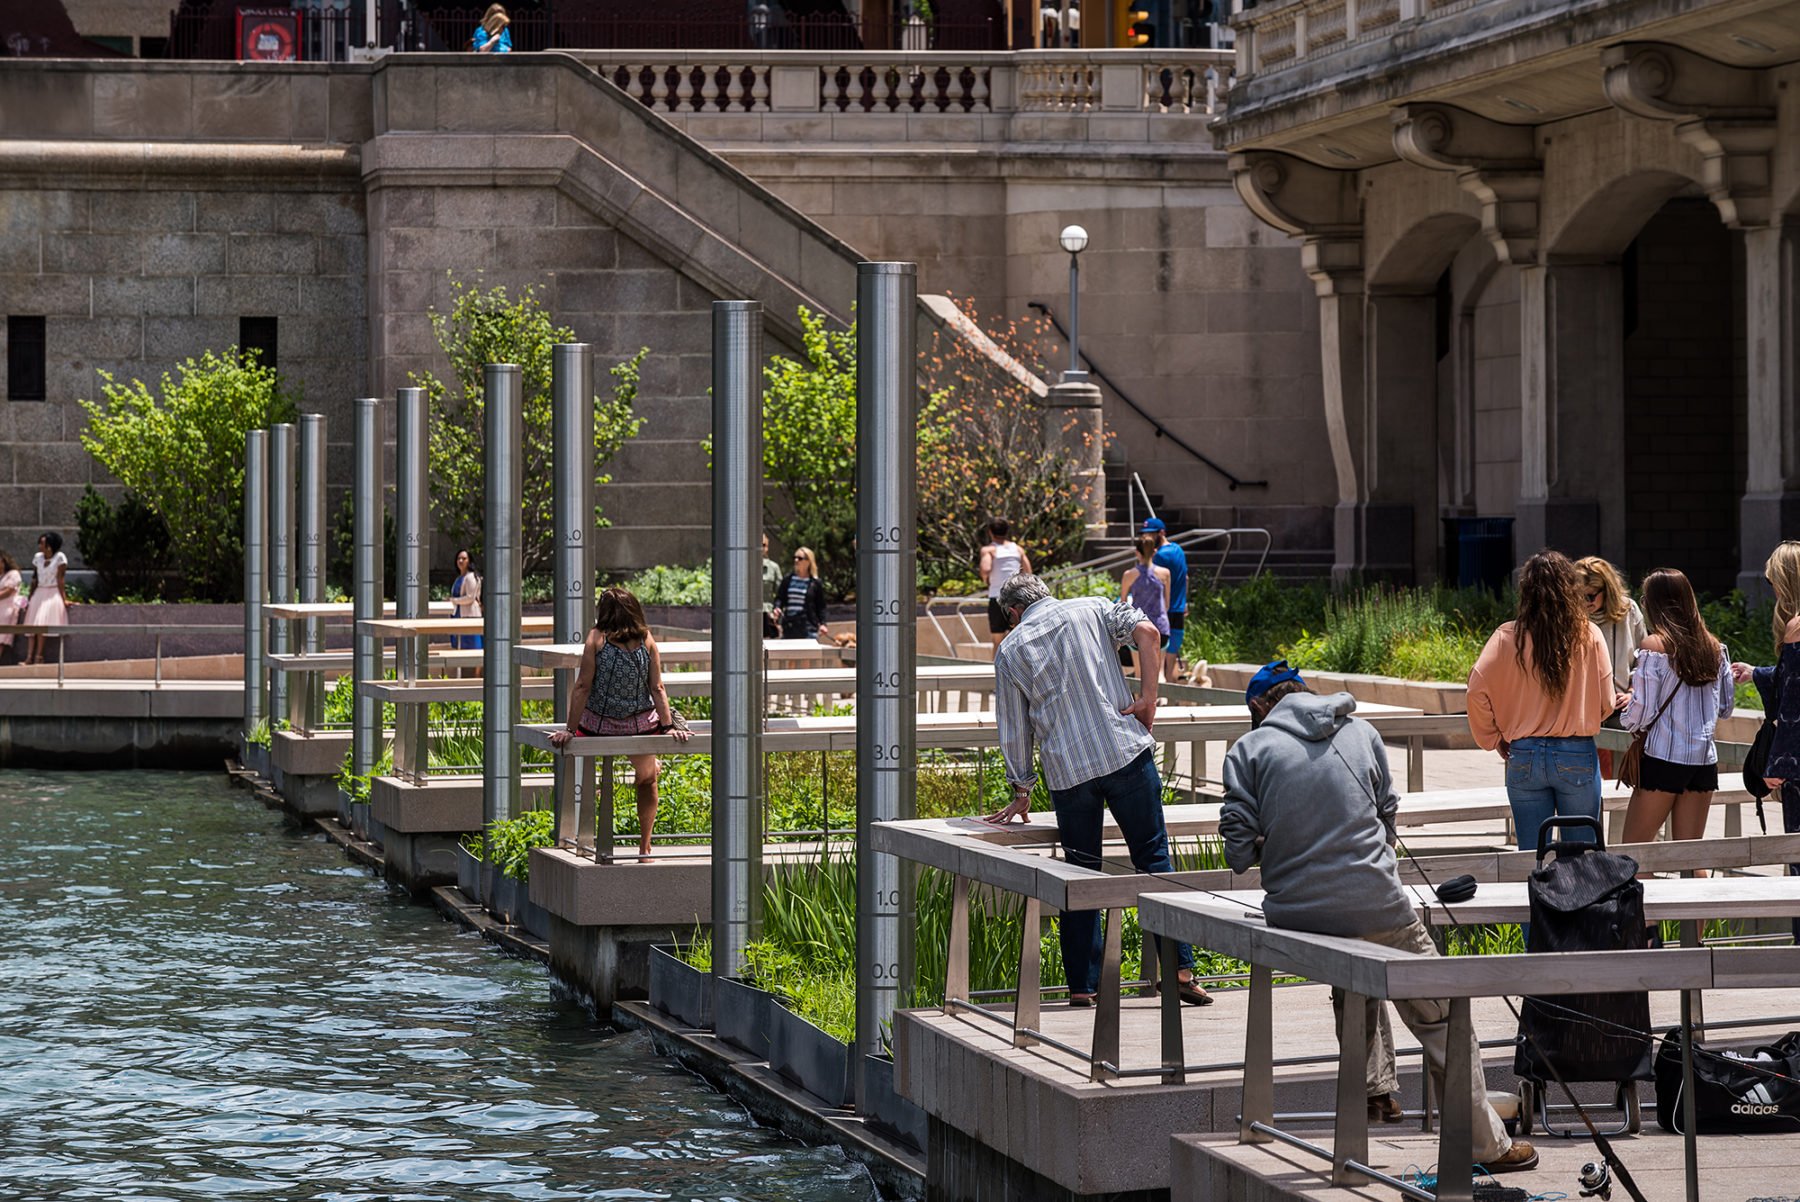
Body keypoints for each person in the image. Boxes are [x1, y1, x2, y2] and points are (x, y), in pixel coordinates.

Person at [1220, 663, 1539, 1173]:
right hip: (1377, 905)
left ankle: (1374, 1091)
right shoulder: (1362, 732)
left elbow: (1237, 852)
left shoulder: (1247, 751)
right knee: (1444, 1018)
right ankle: (1484, 1146)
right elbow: (1386, 821)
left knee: (1353, 968)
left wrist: (1277, 841)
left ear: (1260, 708)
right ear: (1305, 692)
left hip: (1297, 919)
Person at [982, 573, 1209, 1007]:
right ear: (1046, 593)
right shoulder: (1090, 606)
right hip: (1125, 752)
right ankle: (1179, 970)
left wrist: (1021, 789)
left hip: (1069, 772)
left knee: (1081, 876)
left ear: (1012, 612)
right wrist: (1148, 699)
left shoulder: (1009, 650)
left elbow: (1013, 729)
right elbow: (1147, 632)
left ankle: (1084, 988)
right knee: (1153, 858)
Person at [1467, 550, 1620, 852]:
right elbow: (1607, 703)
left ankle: (1536, 899)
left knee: (1531, 853)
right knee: (1582, 855)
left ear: (1526, 591)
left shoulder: (1506, 636)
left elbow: (1476, 692)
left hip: (1524, 753)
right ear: (1570, 588)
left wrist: (1493, 737)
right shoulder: (1589, 635)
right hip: (1576, 750)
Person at [548, 587, 691, 861]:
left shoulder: (595, 638)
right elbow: (657, 688)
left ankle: (585, 844)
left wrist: (569, 729)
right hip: (640, 725)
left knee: (594, 772)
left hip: (598, 727)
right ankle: (645, 848)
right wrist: (668, 726)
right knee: (647, 780)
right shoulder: (646, 639)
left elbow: (582, 686)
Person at [1619, 569, 1733, 863]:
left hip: (1663, 759)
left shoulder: (1654, 646)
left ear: (1654, 604)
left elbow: (1640, 713)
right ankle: (1702, 911)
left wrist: (1625, 717)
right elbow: (1726, 709)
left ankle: (1646, 911)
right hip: (1703, 762)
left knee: (1634, 852)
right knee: (1690, 858)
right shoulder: (1715, 647)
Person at [1730, 540, 1800, 941]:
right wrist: (1757, 672)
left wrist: (1778, 766)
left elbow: (1792, 707)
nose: (1772, 589)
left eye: (1775, 581)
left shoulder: (1796, 627)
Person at [1577, 556, 1646, 778]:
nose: (1584, 601)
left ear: (1607, 590)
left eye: (1590, 595)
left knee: (1621, 779)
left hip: (1620, 708)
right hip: (1581, 712)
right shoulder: (1566, 614)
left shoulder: (1628, 610)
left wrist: (1633, 691)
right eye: (1577, 594)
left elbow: (1644, 659)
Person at [1117, 532, 1170, 678]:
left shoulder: (1129, 575)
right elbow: (1166, 605)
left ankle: (1140, 701)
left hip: (1139, 627)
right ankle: (1163, 701)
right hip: (1161, 627)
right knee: (1159, 673)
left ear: (1136, 552)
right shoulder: (1165, 573)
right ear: (1155, 551)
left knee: (1140, 674)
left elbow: (1122, 604)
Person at [1143, 518, 1189, 684]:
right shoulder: (1178, 550)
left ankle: (1161, 701)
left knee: (1159, 662)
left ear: (1161, 533)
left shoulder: (1159, 556)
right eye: (1145, 533)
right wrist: (1185, 602)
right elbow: (1185, 577)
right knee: (1172, 659)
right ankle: (1171, 701)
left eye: (1150, 533)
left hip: (1162, 613)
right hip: (1178, 610)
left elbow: (1154, 585)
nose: (1147, 536)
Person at [979, 516, 1031, 650]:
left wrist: (987, 581)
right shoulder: (1018, 549)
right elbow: (1028, 572)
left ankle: (997, 670)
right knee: (1018, 638)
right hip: (1017, 599)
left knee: (998, 640)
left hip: (997, 597)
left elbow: (985, 569)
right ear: (1007, 532)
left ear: (990, 532)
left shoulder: (989, 550)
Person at [23, 532, 69, 667]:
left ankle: (39, 657)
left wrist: (64, 599)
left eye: (43, 543)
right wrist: (30, 596)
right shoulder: (38, 558)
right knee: (32, 626)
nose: (40, 546)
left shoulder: (59, 558)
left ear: (51, 545)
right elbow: (34, 578)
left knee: (41, 624)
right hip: (39, 592)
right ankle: (29, 657)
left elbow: (61, 579)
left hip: (52, 592)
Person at [775, 546, 829, 641]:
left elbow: (821, 606)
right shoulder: (788, 579)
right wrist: (777, 607)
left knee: (808, 656)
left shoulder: (815, 583)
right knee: (789, 655)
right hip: (790, 626)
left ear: (809, 562)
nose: (796, 560)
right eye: (795, 558)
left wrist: (823, 624)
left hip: (808, 628)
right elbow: (779, 598)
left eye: (800, 558)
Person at [0, 548, 22, 664]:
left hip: (6, 609)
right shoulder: (1, 575)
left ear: (4, 561)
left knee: (1, 638)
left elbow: (8, 591)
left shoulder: (13, 574)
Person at [761, 533, 782, 639]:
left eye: (763, 545)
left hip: (768, 614)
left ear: (767, 547)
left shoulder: (774, 568)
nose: (760, 548)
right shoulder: (743, 566)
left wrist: (778, 609)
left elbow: (780, 593)